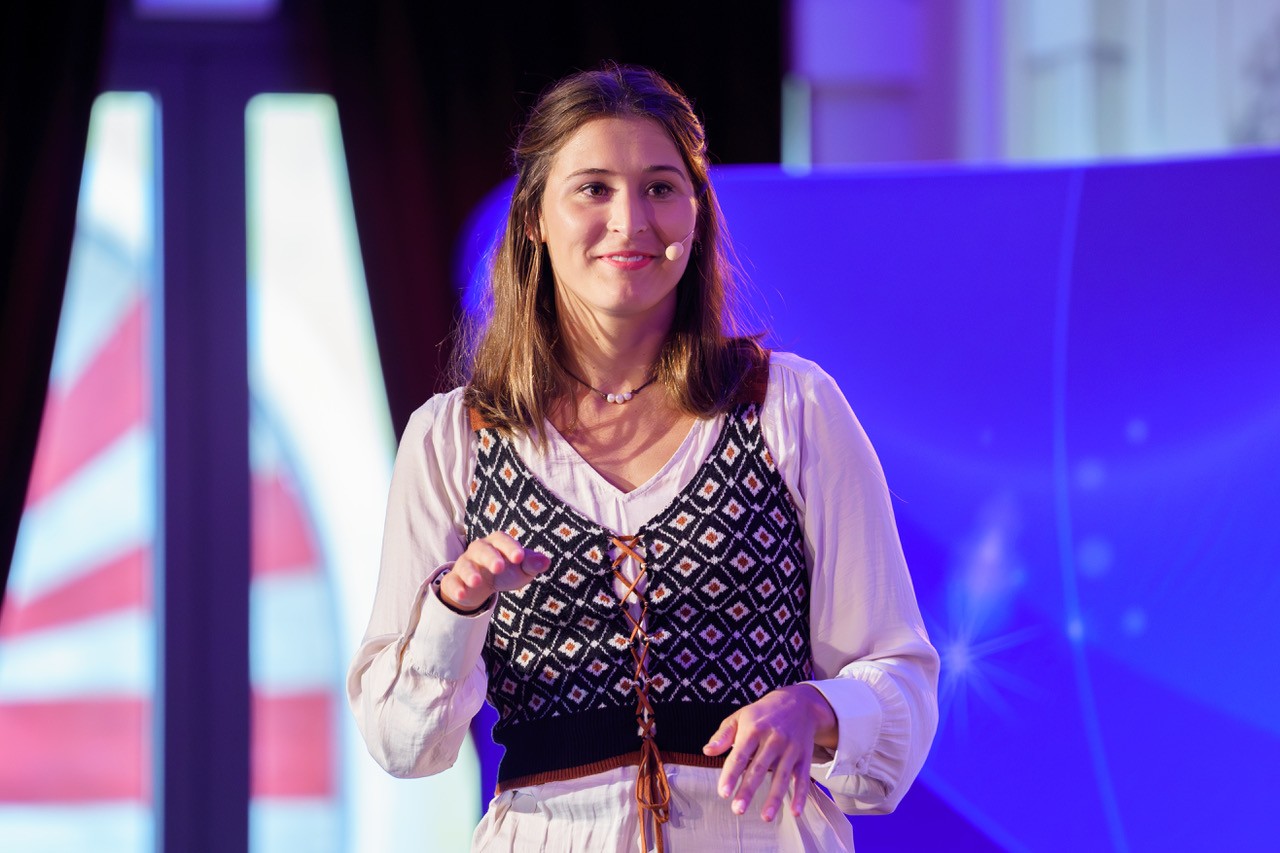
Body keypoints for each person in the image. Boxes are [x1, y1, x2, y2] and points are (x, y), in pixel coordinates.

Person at [347, 63, 939, 852]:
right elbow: (402, 743)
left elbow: (900, 676)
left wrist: (818, 707)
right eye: (593, 189)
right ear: (536, 218)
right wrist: (455, 606)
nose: (630, 220)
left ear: (697, 212)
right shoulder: (457, 436)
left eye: (661, 187)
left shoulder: (789, 406)